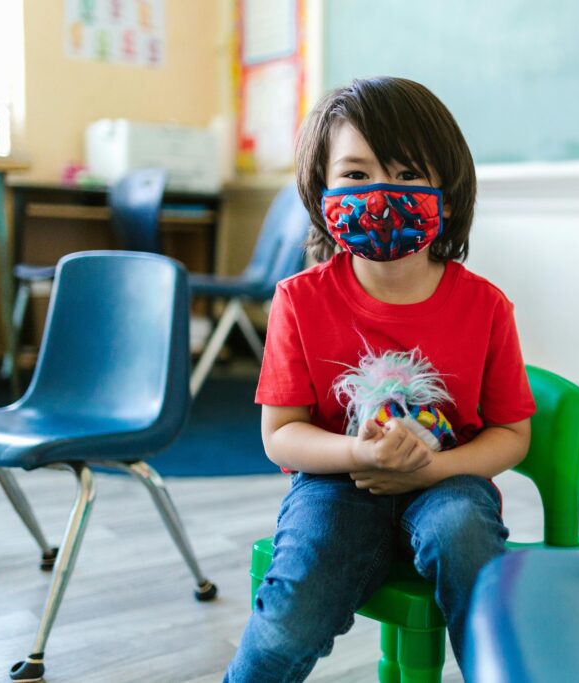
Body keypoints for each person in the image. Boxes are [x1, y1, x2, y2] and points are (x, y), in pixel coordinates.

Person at [223, 76, 536, 682]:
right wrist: (357, 452)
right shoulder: (299, 300)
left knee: (466, 536)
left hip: (450, 484)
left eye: (408, 173)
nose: (382, 194)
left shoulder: (486, 307)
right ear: (321, 189)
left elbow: (510, 434)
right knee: (294, 606)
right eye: (357, 175)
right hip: (335, 483)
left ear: (449, 186)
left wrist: (430, 467)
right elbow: (280, 435)